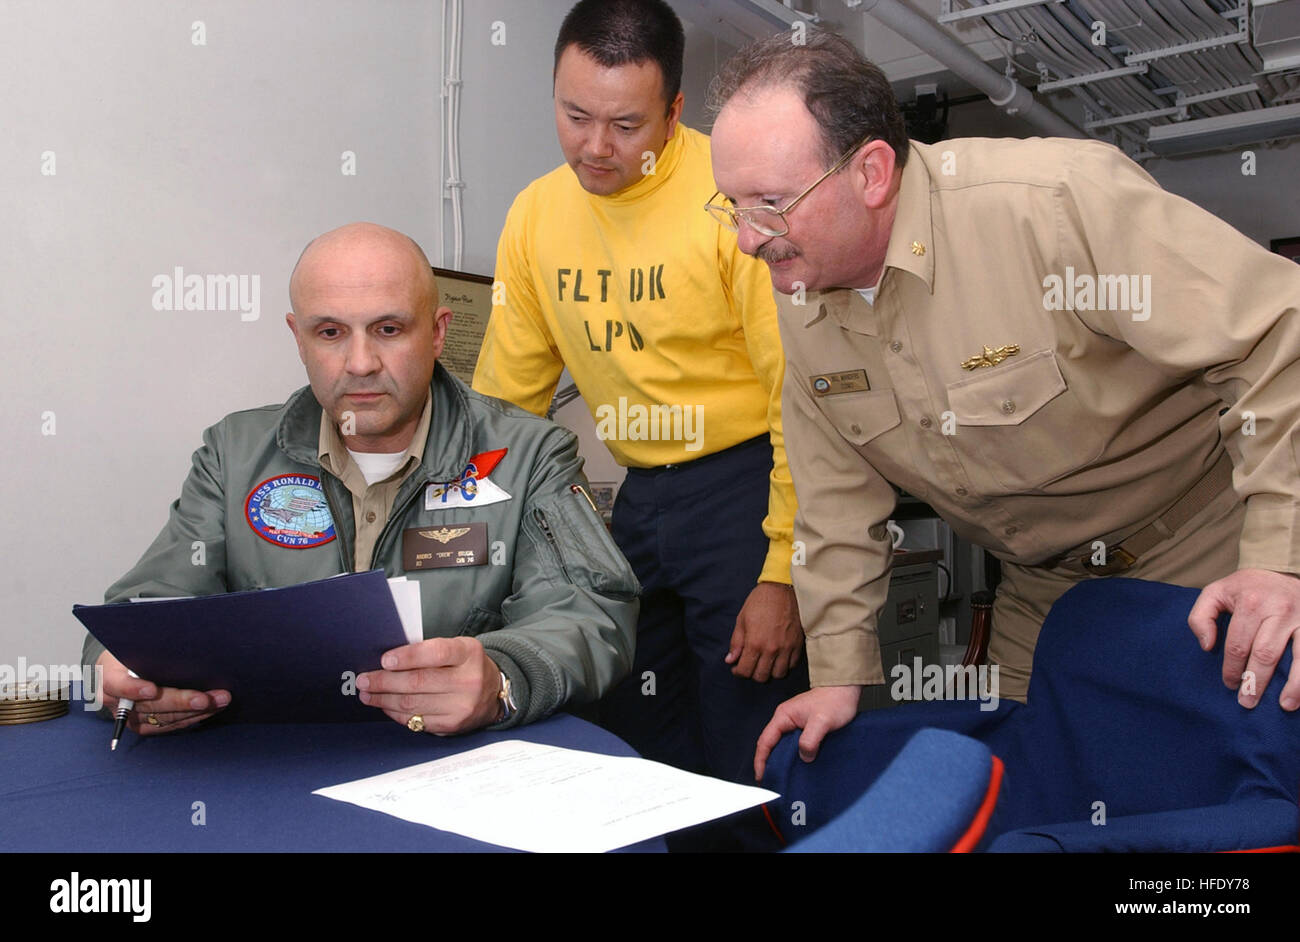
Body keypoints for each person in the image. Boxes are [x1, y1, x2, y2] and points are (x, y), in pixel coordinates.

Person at [704, 30, 1300, 779]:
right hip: (1043, 596)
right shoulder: (802, 291)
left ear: (872, 173)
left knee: (1239, 794)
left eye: (769, 204)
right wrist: (836, 678)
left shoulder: (1051, 206)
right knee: (1030, 796)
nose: (745, 241)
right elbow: (833, 506)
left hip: (1209, 551)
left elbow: (1280, 331)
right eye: (731, 205)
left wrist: (1281, 563)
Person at [83, 222, 639, 737]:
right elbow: (146, 607)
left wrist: (501, 677)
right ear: (298, 338)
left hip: (454, 776)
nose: (360, 362)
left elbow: (589, 613)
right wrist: (120, 671)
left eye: (388, 329)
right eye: (330, 332)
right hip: (269, 764)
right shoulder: (234, 454)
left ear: (439, 333)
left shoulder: (529, 453)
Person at [472, 0, 808, 789]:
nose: (595, 146)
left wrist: (784, 570)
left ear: (675, 111)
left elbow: (799, 398)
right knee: (634, 732)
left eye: (626, 125)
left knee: (748, 742)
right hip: (632, 499)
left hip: (743, 486)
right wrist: (467, 547)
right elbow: (505, 405)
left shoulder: (730, 196)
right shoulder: (535, 216)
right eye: (575, 114)